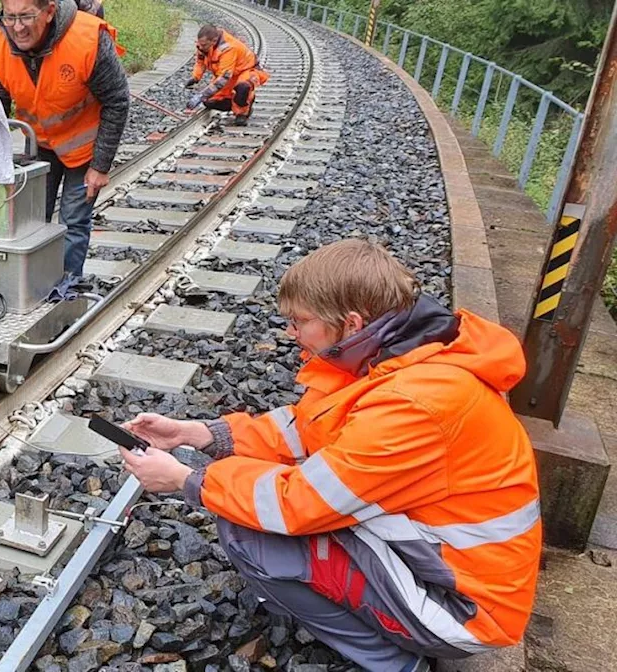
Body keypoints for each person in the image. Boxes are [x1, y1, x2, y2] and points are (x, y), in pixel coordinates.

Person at [119, 239, 541, 671]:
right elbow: (305, 432)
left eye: (300, 321)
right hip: (443, 559)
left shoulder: (415, 404)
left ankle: (394, 664)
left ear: (352, 322)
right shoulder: (399, 357)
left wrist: (185, 480)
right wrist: (197, 434)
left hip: (462, 606)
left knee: (250, 531)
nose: (291, 333)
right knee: (246, 490)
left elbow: (296, 505)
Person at [0, 0, 130, 281]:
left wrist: (100, 166)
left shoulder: (87, 39)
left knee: (73, 222)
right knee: (31, 220)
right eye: (9, 17)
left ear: (50, 11)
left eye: (26, 16)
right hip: (37, 146)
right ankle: (31, 286)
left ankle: (66, 288)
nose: (17, 27)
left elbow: (117, 100)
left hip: (84, 148)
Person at [184, 24, 269, 125]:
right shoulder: (204, 45)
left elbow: (224, 78)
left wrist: (202, 95)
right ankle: (234, 102)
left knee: (243, 87)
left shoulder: (228, 48)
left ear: (214, 41)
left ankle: (242, 113)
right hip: (230, 75)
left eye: (204, 45)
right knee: (209, 102)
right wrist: (195, 77)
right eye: (200, 44)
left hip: (246, 72)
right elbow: (200, 62)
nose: (200, 47)